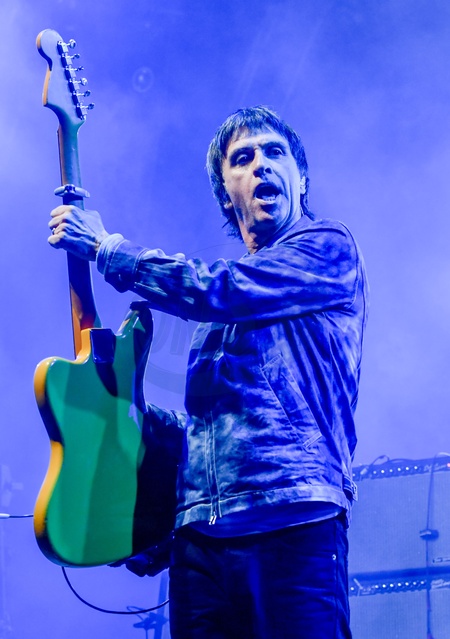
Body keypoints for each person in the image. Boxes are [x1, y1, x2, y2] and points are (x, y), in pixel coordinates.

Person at [48, 106, 368, 639]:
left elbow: (216, 288)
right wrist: (126, 418)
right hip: (201, 540)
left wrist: (107, 250)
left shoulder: (327, 248)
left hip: (293, 518)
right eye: (243, 158)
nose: (262, 164)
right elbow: (212, 426)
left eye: (275, 152)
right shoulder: (215, 322)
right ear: (225, 194)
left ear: (302, 177)